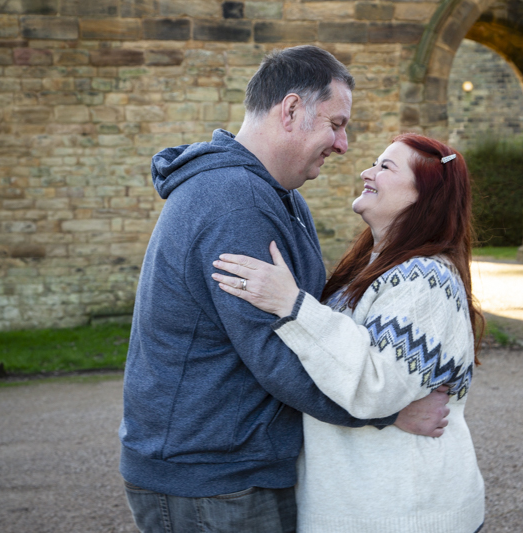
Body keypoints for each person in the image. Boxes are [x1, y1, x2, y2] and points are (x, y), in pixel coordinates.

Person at [118, 46, 450, 533]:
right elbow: (278, 354)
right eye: (336, 124)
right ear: (291, 110)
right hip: (211, 478)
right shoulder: (234, 203)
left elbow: (309, 323)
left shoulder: (279, 196)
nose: (343, 144)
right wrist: (390, 413)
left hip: (235, 467)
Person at [212, 133, 486, 532]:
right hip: (366, 508)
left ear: (422, 196)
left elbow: (376, 387)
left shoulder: (426, 279)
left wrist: (293, 305)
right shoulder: (372, 269)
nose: (366, 171)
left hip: (405, 513)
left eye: (385, 167)